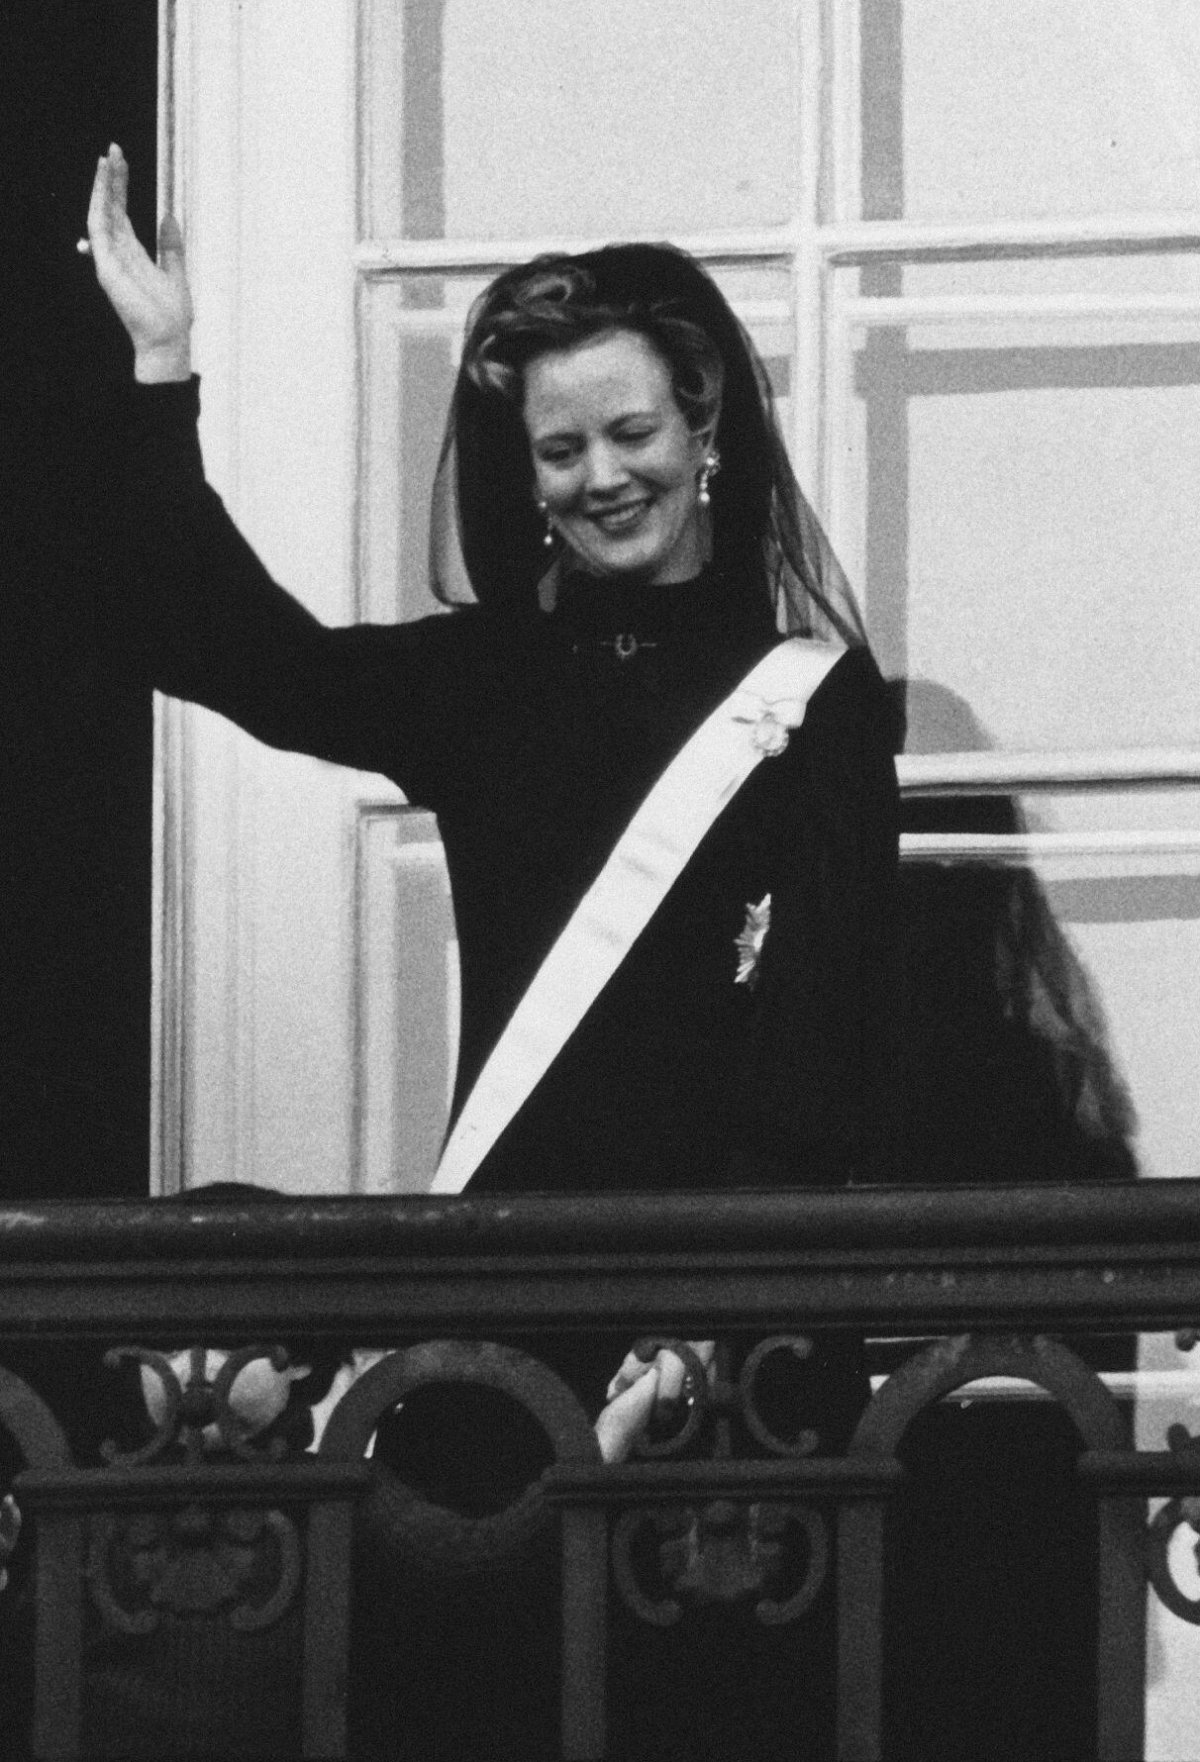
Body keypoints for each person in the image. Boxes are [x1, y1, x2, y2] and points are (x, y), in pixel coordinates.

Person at [85, 144, 899, 1759]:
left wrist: (703, 1340)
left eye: (633, 432)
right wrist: (159, 367)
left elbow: (821, 1037)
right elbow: (223, 644)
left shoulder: (812, 702)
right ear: (522, 470)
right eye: (561, 446)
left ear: (709, 432)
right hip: (505, 1315)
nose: (603, 474)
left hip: (723, 1347)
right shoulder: (490, 682)